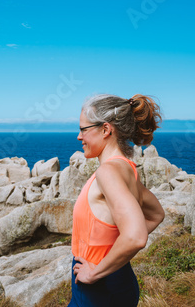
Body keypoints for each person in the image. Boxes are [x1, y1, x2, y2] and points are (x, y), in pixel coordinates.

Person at [68, 93, 166, 307]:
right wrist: (114, 251)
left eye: (83, 129)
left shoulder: (108, 172)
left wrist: (95, 272)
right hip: (118, 278)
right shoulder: (127, 169)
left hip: (98, 287)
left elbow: (136, 237)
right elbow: (156, 214)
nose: (79, 136)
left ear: (105, 129)